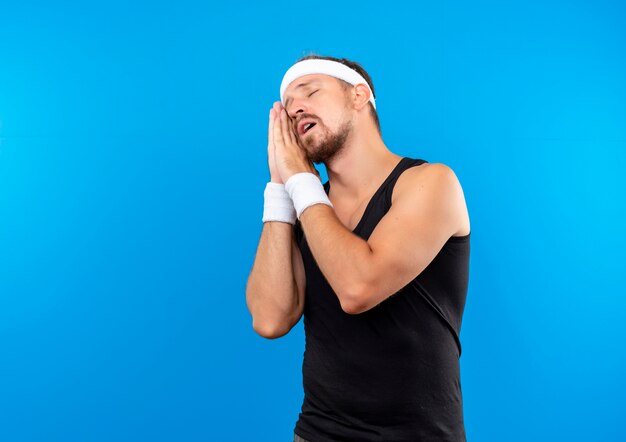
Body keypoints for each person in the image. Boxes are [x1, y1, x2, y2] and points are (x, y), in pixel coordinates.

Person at [246, 54, 471, 442]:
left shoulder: (431, 183)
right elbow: (270, 319)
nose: (295, 107)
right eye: (287, 105)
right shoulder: (307, 205)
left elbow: (357, 288)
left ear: (359, 96)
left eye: (311, 91)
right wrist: (280, 189)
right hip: (317, 433)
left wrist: (299, 179)